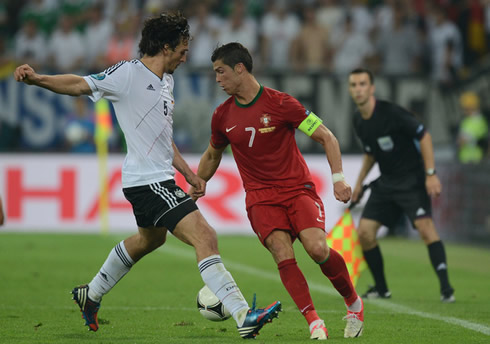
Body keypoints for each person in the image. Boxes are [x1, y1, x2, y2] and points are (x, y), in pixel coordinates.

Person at [13, 12, 281, 339]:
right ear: (166, 47)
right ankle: (243, 315)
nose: (186, 57)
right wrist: (37, 79)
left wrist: (189, 174)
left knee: (150, 239)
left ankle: (91, 293)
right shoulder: (127, 73)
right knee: (205, 236)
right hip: (148, 181)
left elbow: (161, 136)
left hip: (156, 178)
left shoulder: (167, 81)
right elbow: (80, 85)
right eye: (182, 50)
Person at [190, 42, 364, 340]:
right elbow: (212, 155)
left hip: (298, 190)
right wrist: (198, 182)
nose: (217, 79)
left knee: (317, 248)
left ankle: (354, 304)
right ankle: (313, 321)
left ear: (240, 68)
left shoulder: (281, 103)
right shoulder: (222, 116)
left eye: (221, 72)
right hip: (260, 198)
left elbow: (327, 137)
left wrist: (338, 178)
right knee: (282, 252)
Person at [347, 68, 455, 303]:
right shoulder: (359, 120)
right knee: (364, 233)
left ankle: (447, 289)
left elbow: (424, 135)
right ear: (350, 90)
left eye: (362, 84)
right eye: (354, 85)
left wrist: (430, 174)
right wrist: (358, 184)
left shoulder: (391, 113)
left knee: (426, 229)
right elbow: (370, 154)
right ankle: (382, 288)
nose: (358, 89)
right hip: (387, 183)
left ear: (372, 88)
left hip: (412, 181)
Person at [457, 91, 488, 164]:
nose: (463, 110)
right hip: (466, 159)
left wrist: (461, 141)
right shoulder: (466, 121)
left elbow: (463, 140)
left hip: (477, 160)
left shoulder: (479, 121)